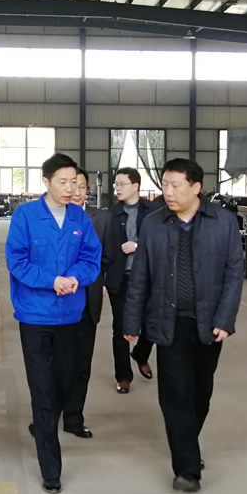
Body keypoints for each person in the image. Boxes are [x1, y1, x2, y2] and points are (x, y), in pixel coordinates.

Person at [124, 158, 243, 493]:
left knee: (200, 393)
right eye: (164, 185)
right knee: (175, 394)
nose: (168, 192)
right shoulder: (153, 224)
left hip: (209, 323)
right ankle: (187, 469)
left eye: (175, 186)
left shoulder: (223, 222)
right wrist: (131, 321)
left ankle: (187, 443)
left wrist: (225, 319)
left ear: (196, 187)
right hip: (168, 321)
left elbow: (234, 273)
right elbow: (140, 277)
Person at [6, 153, 102, 494]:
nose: (70, 188)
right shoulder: (26, 216)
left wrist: (74, 277)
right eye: (63, 182)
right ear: (46, 182)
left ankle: (44, 422)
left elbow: (91, 258)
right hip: (35, 315)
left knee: (65, 382)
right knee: (42, 389)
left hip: (70, 315)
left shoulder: (80, 218)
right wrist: (52, 280)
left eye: (74, 182)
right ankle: (51, 468)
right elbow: (16, 261)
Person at [63, 167, 110, 439]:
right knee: (55, 366)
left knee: (81, 366)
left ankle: (74, 417)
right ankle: (46, 416)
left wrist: (102, 282)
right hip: (56, 303)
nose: (75, 191)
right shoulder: (51, 219)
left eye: (81, 186)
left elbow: (109, 258)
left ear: (87, 189)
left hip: (86, 303)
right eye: (70, 185)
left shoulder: (100, 219)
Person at [104, 167, 157, 394]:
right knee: (121, 328)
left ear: (136, 186)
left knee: (151, 324)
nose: (117, 188)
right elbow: (105, 248)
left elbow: (162, 241)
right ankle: (123, 376)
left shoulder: (154, 211)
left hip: (148, 277)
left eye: (122, 184)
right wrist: (103, 278)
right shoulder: (112, 214)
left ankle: (141, 354)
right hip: (121, 278)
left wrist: (138, 245)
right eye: (116, 184)